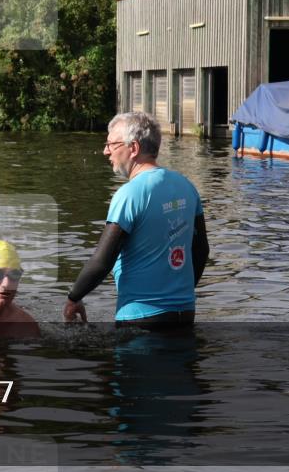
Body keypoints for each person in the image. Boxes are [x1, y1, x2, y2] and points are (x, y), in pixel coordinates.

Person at [63, 112, 209, 330]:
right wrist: (180, 295)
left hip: (140, 318)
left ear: (133, 148)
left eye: (111, 144)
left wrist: (74, 298)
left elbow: (103, 260)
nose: (106, 151)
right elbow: (202, 250)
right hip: (185, 313)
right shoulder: (186, 186)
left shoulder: (130, 194)